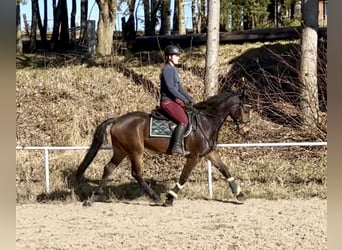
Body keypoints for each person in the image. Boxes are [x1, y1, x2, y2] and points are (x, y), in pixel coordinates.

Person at [160, 45, 193, 156]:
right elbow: (171, 88)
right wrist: (182, 99)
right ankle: (176, 147)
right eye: (176, 55)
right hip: (167, 102)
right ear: (170, 57)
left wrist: (189, 98)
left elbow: (179, 88)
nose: (178, 57)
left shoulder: (174, 69)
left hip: (173, 101)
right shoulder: (167, 70)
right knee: (184, 120)